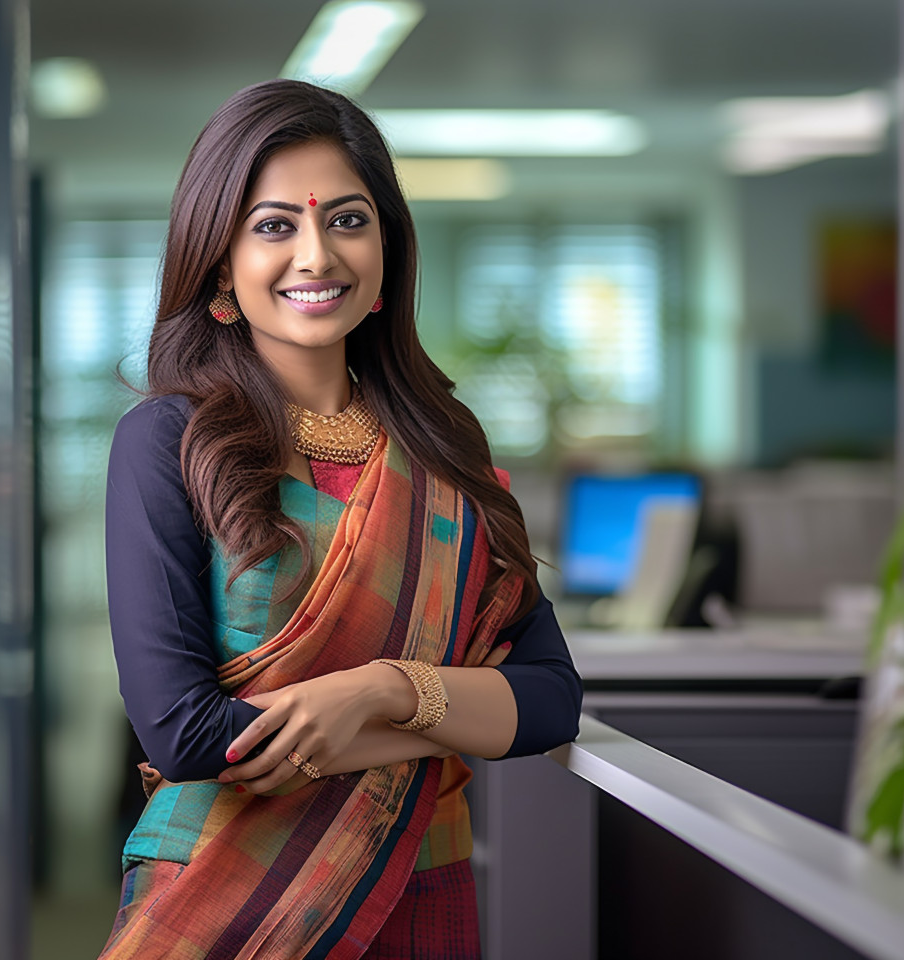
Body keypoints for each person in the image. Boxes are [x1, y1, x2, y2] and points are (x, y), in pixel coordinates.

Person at [99, 79, 583, 960]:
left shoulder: (443, 446)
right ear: (220, 262)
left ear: (388, 249)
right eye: (274, 225)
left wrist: (379, 688)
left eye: (348, 220)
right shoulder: (167, 442)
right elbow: (188, 732)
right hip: (226, 901)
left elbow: (550, 700)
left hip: (421, 890)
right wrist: (446, 717)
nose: (316, 255)